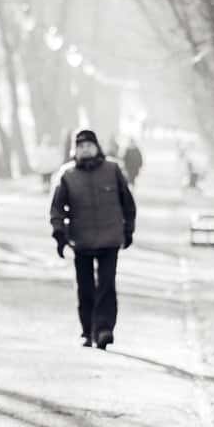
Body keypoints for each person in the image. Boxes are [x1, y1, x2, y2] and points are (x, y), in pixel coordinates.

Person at [49, 129, 137, 351]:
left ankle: (104, 329)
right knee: (85, 287)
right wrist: (59, 235)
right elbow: (57, 208)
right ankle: (88, 331)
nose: (85, 149)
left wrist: (128, 230)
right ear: (74, 150)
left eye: (89, 145)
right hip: (82, 240)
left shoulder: (113, 169)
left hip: (109, 239)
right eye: (80, 146)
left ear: (97, 147)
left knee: (107, 285)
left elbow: (127, 202)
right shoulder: (67, 175)